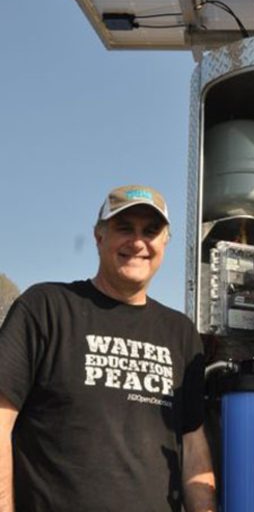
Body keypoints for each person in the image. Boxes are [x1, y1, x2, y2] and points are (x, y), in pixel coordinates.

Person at [0, 185, 216, 511]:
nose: (138, 242)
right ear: (99, 236)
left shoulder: (180, 332)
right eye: (124, 228)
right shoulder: (45, 308)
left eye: (150, 231)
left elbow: (193, 445)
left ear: (165, 243)